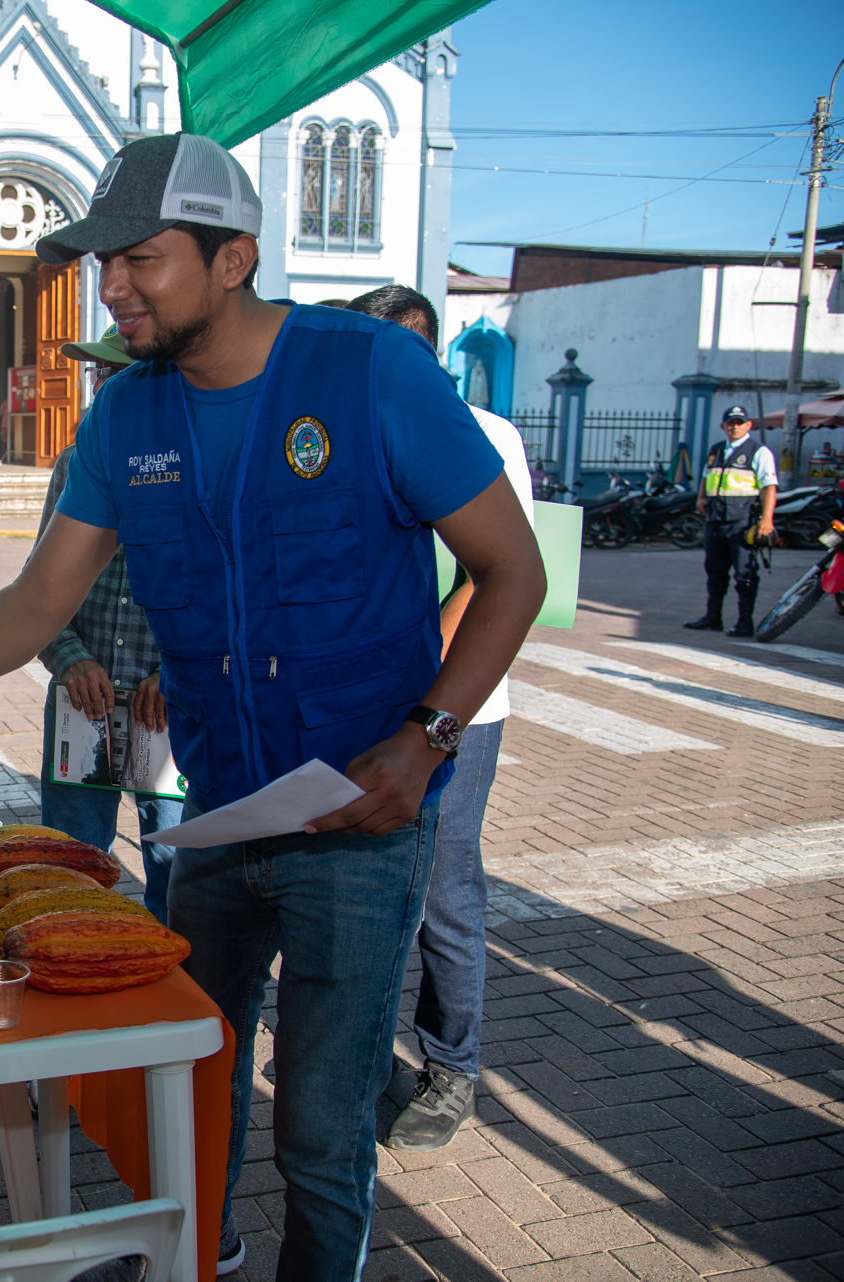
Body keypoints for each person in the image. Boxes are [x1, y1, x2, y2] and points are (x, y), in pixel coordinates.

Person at [0, 132, 547, 1278]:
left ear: (233, 257)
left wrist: (424, 742)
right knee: (187, 1081)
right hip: (214, 822)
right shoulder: (127, 418)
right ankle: (203, 1255)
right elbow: (42, 594)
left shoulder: (371, 375)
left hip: (361, 818)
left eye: (141, 259)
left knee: (320, 1126)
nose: (111, 288)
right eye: (104, 263)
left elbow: (514, 573)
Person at [348, 284, 536, 1151]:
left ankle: (451, 1066)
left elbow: (491, 581)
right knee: (373, 887)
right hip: (369, 703)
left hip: (458, 704)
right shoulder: (349, 426)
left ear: (424, 357)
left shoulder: (488, 437)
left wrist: (428, 706)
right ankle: (362, 1051)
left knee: (445, 890)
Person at [35, 323, 183, 922]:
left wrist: (177, 672)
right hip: (82, 704)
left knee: (176, 872)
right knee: (72, 870)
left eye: (113, 373)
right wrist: (70, 657)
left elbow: (229, 599)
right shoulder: (75, 465)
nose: (100, 387)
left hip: (167, 709)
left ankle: (175, 1004)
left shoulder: (194, 468)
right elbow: (37, 588)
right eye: (97, 374)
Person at [685, 405, 777, 637]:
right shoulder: (716, 450)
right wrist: (701, 497)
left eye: (739, 422)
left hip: (742, 523)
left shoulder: (759, 451)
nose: (734, 427)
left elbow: (769, 487)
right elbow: (707, 476)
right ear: (723, 426)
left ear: (748, 425)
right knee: (715, 571)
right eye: (730, 423)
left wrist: (767, 519)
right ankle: (712, 617)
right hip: (715, 521)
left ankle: (745, 622)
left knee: (744, 573)